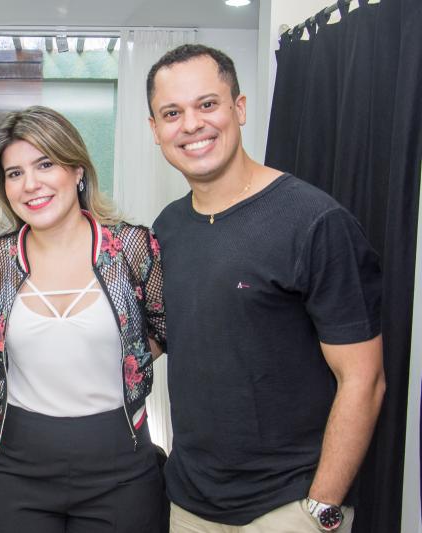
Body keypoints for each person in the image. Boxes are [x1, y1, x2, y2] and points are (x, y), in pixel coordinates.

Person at [147, 44, 385, 532]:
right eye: (172, 113)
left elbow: (364, 379)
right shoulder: (167, 227)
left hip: (288, 506)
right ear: (155, 130)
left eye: (207, 104)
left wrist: (321, 509)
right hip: (189, 504)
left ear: (239, 108)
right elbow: (166, 335)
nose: (191, 124)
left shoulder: (315, 221)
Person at [0, 105, 168, 532]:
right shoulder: (0, 259)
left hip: (121, 466)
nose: (31, 184)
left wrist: (116, 357)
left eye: (45, 164)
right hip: (19, 465)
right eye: (15, 173)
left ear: (77, 169)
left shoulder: (131, 249)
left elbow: (167, 332)